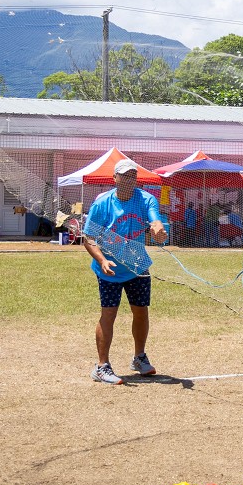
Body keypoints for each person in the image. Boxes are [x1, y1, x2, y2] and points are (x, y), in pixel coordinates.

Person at [83, 159, 168, 385]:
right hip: (109, 269)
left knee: (141, 312)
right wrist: (102, 260)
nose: (129, 180)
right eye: (124, 175)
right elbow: (88, 238)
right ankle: (101, 367)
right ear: (115, 178)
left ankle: (139, 358)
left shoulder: (146, 199)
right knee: (109, 314)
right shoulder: (102, 203)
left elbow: (155, 219)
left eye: (133, 176)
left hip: (137, 265)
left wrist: (158, 229)